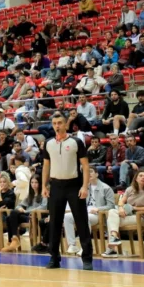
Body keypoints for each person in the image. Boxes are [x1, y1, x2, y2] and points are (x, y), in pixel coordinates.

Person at [41, 113, 93, 270]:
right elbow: (46, 166)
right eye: (54, 123)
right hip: (56, 186)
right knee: (54, 223)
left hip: (74, 185)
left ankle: (87, 258)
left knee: (81, 222)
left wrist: (84, 187)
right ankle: (54, 258)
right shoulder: (48, 143)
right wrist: (44, 186)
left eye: (60, 123)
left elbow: (85, 166)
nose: (57, 126)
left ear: (66, 125)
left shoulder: (76, 142)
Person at [103, 170, 144, 257]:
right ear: (136, 178)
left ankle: (112, 248)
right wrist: (120, 208)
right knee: (112, 212)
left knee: (111, 219)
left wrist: (133, 208)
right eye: (140, 176)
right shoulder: (130, 189)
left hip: (140, 216)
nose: (143, 177)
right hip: (126, 214)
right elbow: (121, 201)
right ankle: (113, 238)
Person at [64, 167, 115, 256]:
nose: (88, 174)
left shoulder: (106, 188)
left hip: (98, 214)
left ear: (97, 174)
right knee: (67, 217)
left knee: (84, 218)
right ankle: (72, 244)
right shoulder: (84, 187)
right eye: (86, 172)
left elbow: (111, 206)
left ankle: (85, 247)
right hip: (85, 211)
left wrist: (98, 209)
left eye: (90, 171)